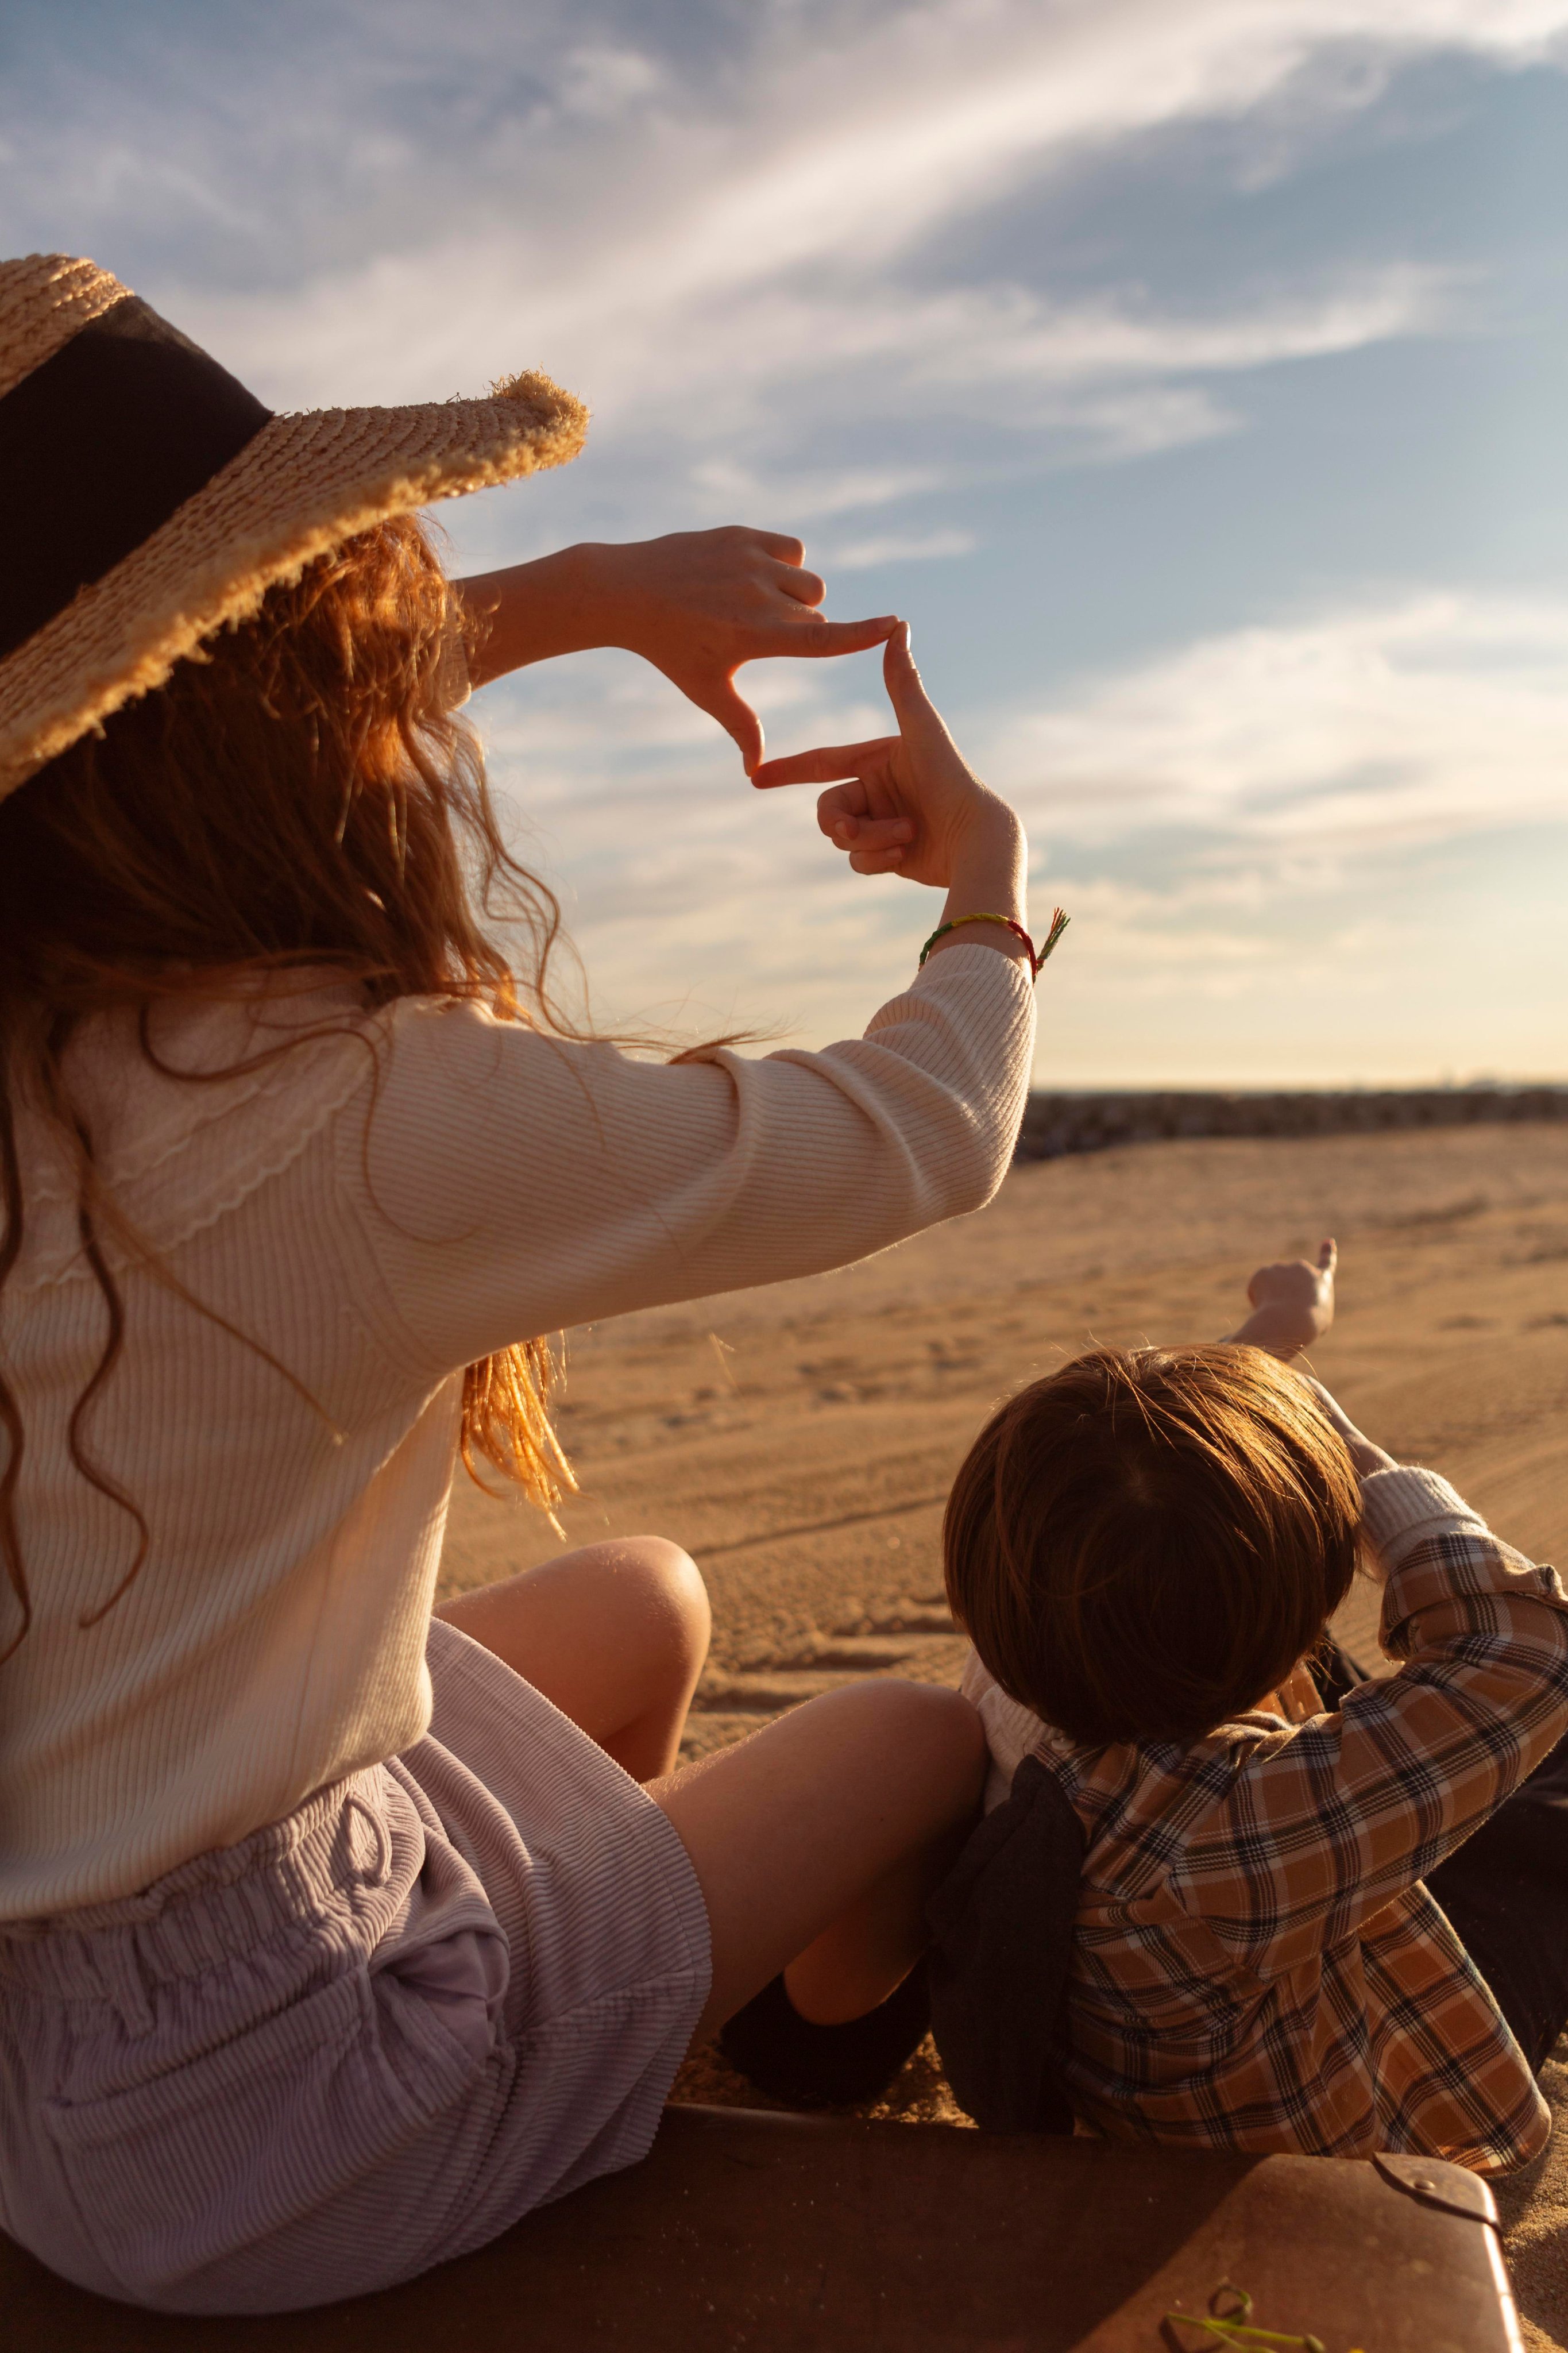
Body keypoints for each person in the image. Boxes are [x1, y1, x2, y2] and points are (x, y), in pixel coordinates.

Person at [0, 254, 1047, 2312]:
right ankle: (696, 2103)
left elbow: (177, 729)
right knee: (919, 1743)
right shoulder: (341, 1108)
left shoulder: (62, 1035)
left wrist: (581, 594)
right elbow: (917, 1134)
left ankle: (608, 2008)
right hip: (275, 2111)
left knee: (647, 1595)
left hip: (53, 2015)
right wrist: (990, 897)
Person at [937, 1242, 1568, 2172]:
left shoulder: (1022, 1653)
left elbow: (1144, 1479)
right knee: (1545, 1822)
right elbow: (1529, 1653)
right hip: (1356, 2122)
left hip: (1210, 1964)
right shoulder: (1230, 1829)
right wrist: (1366, 1473)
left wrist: (1274, 1338)